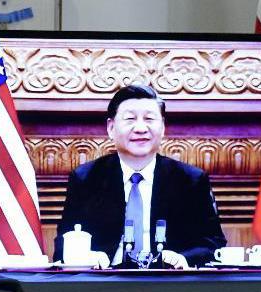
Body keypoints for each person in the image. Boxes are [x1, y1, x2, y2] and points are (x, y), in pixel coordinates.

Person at [55, 84, 226, 269]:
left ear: (163, 127)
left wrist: (184, 259)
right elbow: (63, 244)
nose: (140, 128)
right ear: (111, 128)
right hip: (106, 280)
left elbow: (214, 243)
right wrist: (88, 257)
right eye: (130, 119)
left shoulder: (190, 180)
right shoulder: (86, 178)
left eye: (149, 119)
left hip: (169, 281)